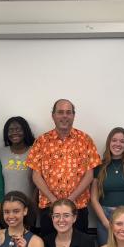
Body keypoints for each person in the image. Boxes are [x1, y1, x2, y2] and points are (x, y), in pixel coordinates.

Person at [26, 99, 101, 236]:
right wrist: (53, 200)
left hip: (77, 207)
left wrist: (70, 200)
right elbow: (35, 175)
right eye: (60, 112)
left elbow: (89, 175)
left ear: (73, 115)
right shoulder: (41, 141)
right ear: (53, 115)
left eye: (68, 112)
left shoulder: (85, 140)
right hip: (49, 207)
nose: (64, 116)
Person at [91, 127, 124, 247]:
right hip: (106, 217)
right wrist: (105, 222)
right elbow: (94, 199)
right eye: (114, 140)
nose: (118, 144)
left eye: (122, 141)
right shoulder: (99, 166)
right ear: (109, 143)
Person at [0, 116, 36, 197]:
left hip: (28, 204)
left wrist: (33, 202)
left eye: (18, 129)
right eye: (10, 130)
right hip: (7, 205)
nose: (14, 132)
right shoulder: (1, 153)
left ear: (25, 131)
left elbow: (39, 182)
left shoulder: (34, 152)